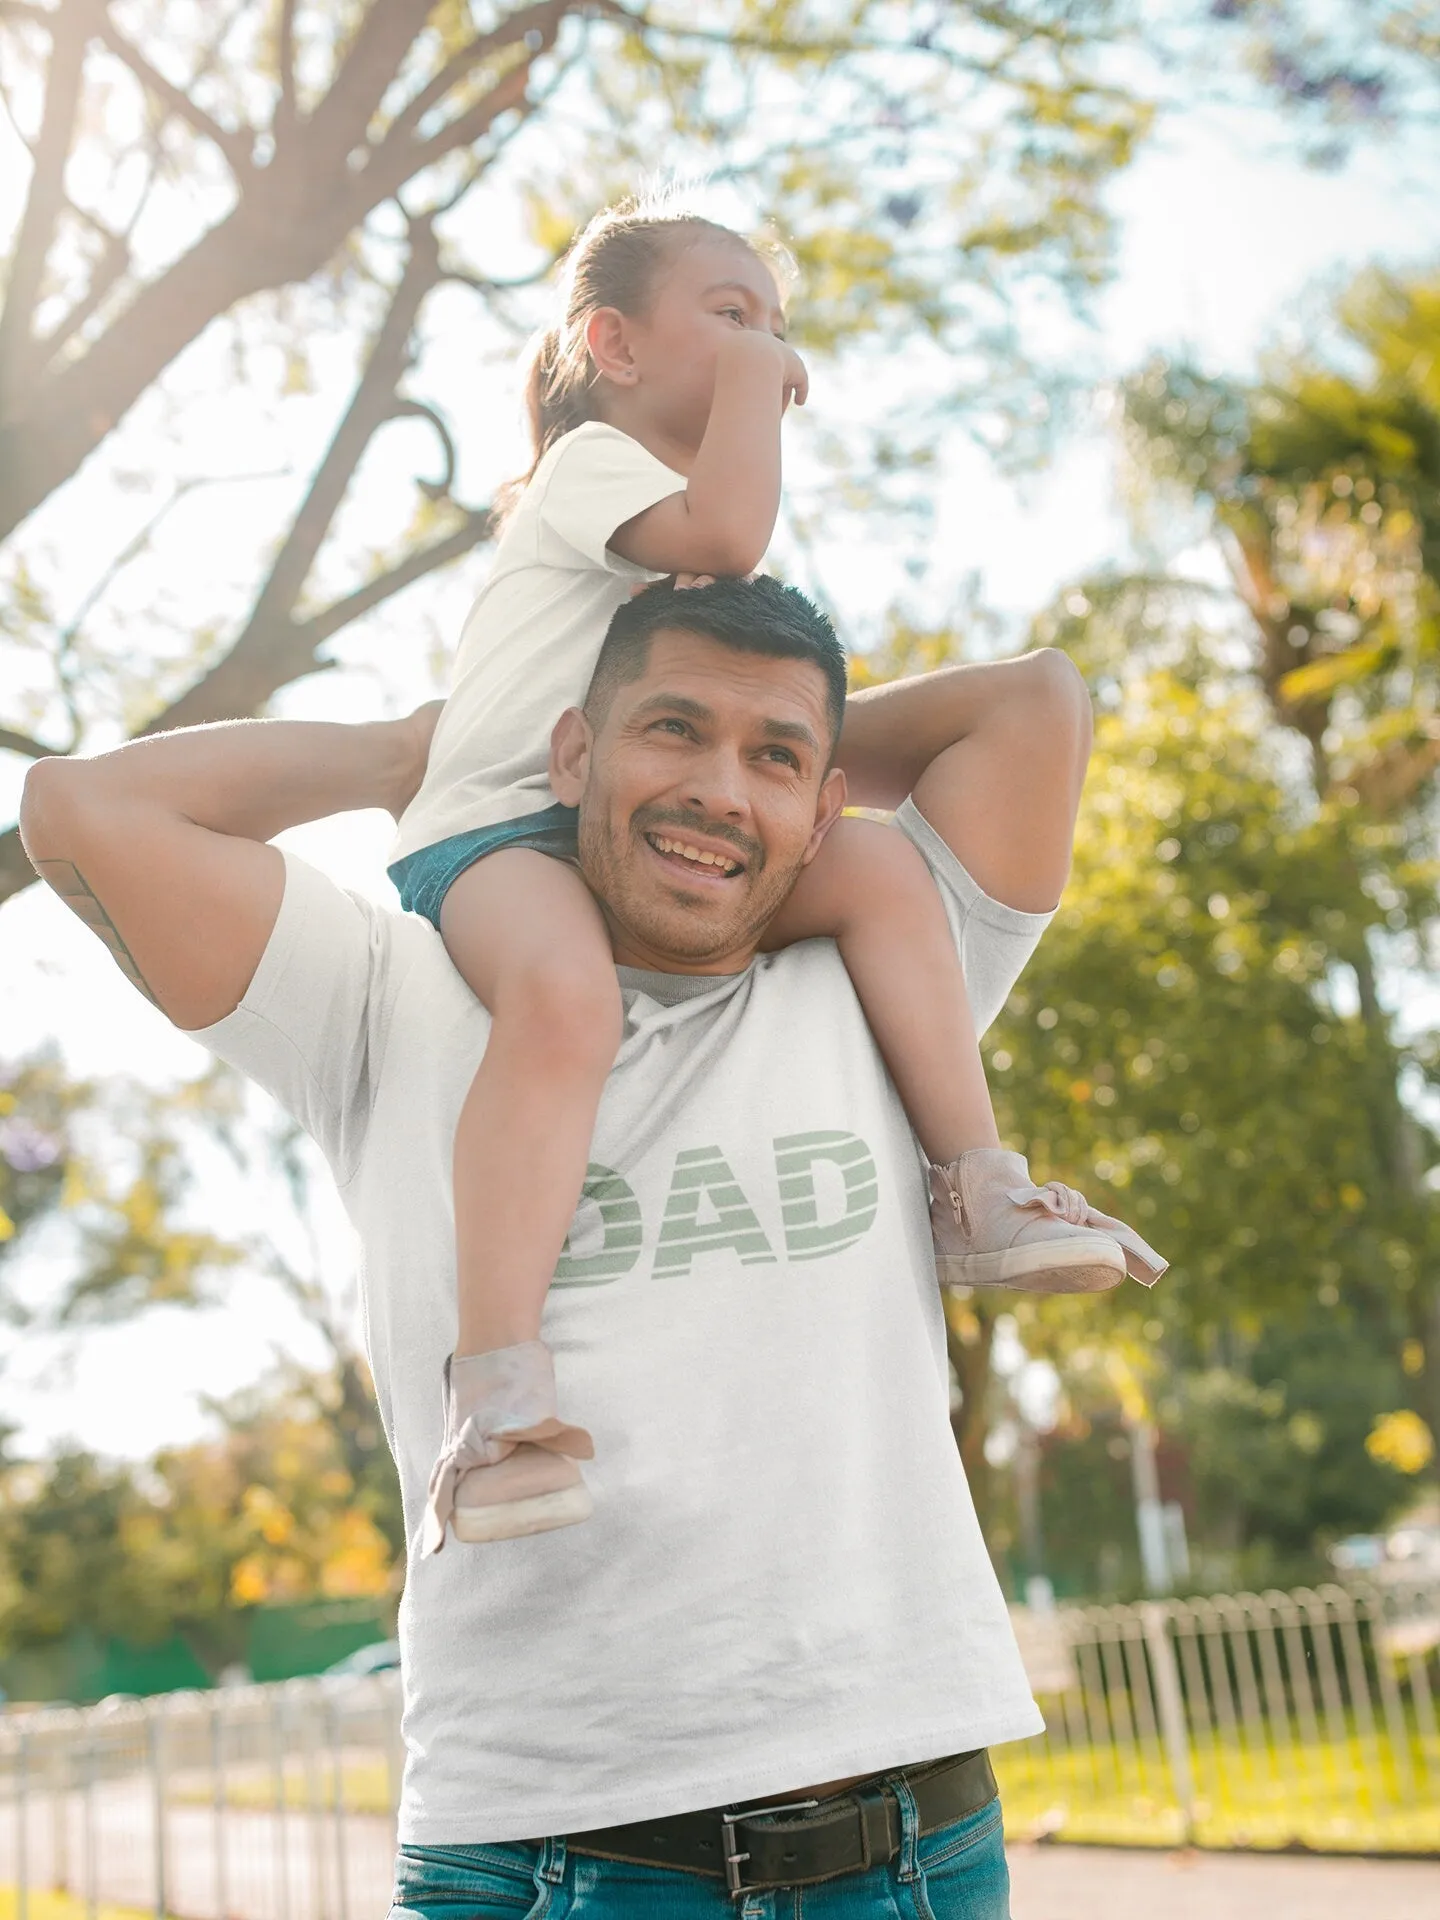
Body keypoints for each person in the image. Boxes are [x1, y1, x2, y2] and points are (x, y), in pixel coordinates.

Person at [22, 572, 1156, 1916]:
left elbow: (1034, 703)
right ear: (571, 751)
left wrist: (766, 752)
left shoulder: (889, 966)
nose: (719, 792)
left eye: (775, 760)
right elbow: (81, 810)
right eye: (669, 729)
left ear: (826, 806)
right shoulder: (390, 987)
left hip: (910, 1846)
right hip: (549, 1857)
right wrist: (426, 754)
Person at [385, 202, 1164, 1545]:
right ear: (610, 342)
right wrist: (758, 384)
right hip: (497, 837)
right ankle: (497, 1398)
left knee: (865, 870)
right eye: (729, 315)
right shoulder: (591, 467)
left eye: (776, 325)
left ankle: (979, 1183)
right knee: (563, 997)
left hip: (615, 831)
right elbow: (731, 538)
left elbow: (747, 648)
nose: (767, 347)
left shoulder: (671, 542)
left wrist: (794, 767)